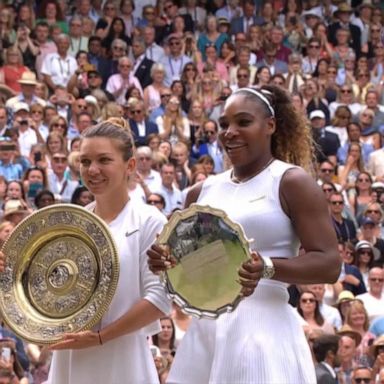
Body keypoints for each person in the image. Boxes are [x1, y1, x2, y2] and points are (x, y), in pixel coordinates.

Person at [148, 85, 340, 383]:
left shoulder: (291, 181)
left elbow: (329, 263)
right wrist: (165, 261)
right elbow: (192, 271)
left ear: (271, 126)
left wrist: (267, 267)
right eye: (224, 124)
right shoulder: (200, 191)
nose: (230, 132)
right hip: (206, 332)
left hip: (264, 329)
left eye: (243, 122)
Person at [47, 118, 171, 383]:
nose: (92, 170)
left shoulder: (150, 221)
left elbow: (159, 299)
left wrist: (101, 338)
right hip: (70, 357)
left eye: (104, 160)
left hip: (123, 359)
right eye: (85, 161)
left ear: (130, 165)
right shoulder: (71, 223)